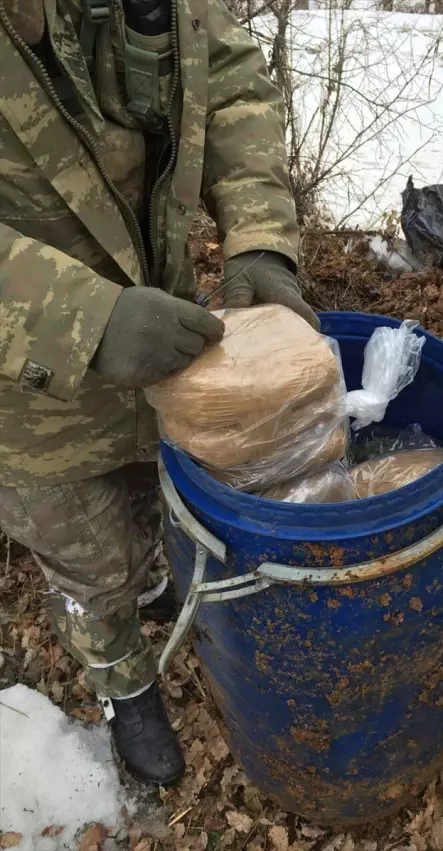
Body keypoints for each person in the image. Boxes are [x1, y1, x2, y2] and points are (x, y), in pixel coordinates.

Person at [0, 0, 317, 785]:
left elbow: (232, 77)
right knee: (89, 561)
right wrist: (80, 321)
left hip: (170, 339)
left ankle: (159, 582)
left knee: (166, 490)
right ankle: (125, 683)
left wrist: (260, 238)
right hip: (31, 404)